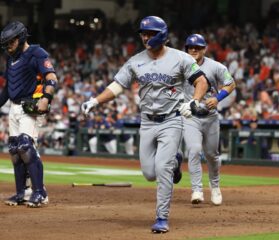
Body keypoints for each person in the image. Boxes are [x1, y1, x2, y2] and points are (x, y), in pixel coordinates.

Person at [81, 16, 209, 233]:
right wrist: (95, 100)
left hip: (172, 120)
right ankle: (176, 161)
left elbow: (201, 81)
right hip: (147, 122)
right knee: (149, 173)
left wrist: (195, 101)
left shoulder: (181, 58)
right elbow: (117, 85)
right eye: (143, 33)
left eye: (149, 33)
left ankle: (161, 217)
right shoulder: (135, 60)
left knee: (162, 169)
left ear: (161, 35)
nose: (145, 37)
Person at [0, 21, 57, 207]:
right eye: (6, 44)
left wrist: (46, 98)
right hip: (14, 108)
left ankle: (40, 192)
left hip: (30, 107)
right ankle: (21, 193)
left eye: (11, 43)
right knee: (15, 150)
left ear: (20, 37)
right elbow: (8, 90)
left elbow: (51, 77)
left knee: (26, 146)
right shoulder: (10, 59)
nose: (8, 47)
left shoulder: (36, 53)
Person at [181, 34, 236, 205]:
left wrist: (218, 98)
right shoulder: (180, 66)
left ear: (204, 49)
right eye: (190, 47)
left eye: (197, 47)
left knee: (212, 155)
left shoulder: (215, 66)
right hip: (190, 117)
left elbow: (230, 83)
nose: (194, 50)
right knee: (194, 150)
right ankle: (197, 189)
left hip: (210, 117)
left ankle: (215, 186)